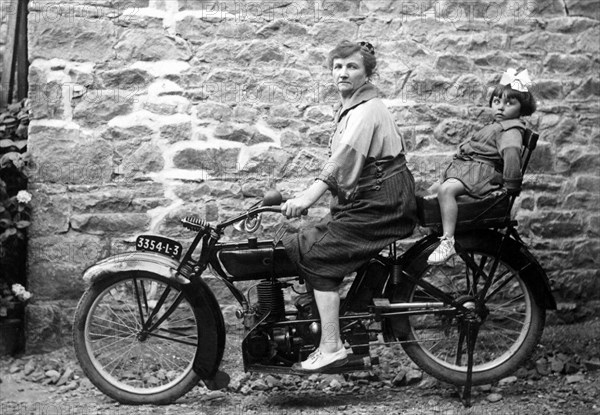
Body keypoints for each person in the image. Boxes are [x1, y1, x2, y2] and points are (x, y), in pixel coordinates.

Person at [280, 40, 417, 373]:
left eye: (352, 66)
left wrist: (307, 198)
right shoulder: (353, 107)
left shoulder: (368, 109)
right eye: (337, 66)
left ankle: (331, 346)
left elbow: (342, 162)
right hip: (371, 196)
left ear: (367, 72)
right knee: (307, 239)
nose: (343, 72)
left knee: (316, 255)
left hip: (383, 200)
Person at [427, 68, 537, 265]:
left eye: (509, 103)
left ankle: (447, 241)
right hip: (469, 168)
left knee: (445, 190)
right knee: (432, 192)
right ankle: (441, 224)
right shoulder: (497, 126)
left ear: (522, 108)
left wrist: (511, 186)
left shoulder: (511, 131)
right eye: (497, 102)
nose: (501, 108)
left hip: (481, 174)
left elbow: (511, 156)